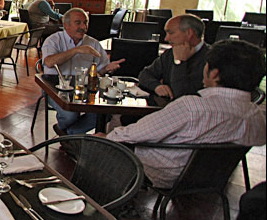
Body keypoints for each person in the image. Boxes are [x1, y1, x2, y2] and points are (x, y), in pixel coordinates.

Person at [103, 40, 266, 189]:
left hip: (163, 174)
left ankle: (118, 207)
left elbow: (132, 135)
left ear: (214, 73)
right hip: (212, 179)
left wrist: (106, 137)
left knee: (100, 143)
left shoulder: (192, 108)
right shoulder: (256, 115)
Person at [42, 8, 124, 135]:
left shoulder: (93, 43)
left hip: (83, 89)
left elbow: (99, 71)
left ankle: (68, 133)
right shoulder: (53, 40)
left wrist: (106, 69)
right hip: (54, 87)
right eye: (78, 23)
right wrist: (76, 50)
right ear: (66, 25)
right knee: (70, 115)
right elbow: (49, 62)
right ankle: (69, 133)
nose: (83, 27)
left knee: (105, 112)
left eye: (85, 23)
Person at [138, 14, 209, 100]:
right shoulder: (170, 53)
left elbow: (181, 95)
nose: (166, 38)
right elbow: (145, 74)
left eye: (170, 33)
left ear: (189, 33)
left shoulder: (211, 58)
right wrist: (157, 86)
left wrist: (180, 62)